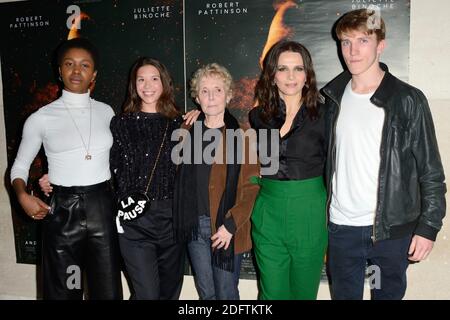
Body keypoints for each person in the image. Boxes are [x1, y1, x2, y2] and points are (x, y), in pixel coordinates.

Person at [322, 9, 446, 300]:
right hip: (342, 230)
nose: (352, 51)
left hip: (390, 233)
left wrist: (428, 227)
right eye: (345, 42)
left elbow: (431, 170)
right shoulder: (332, 98)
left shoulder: (407, 99)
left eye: (362, 41)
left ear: (381, 45)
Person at [10, 38, 123, 300]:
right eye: (69, 64)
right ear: (59, 71)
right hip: (63, 215)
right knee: (64, 291)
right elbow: (19, 166)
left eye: (85, 65)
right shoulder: (41, 118)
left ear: (94, 74)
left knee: (107, 292)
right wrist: (22, 195)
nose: (76, 70)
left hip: (102, 209)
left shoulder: (107, 112)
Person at [249, 40, 328, 300]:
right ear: (272, 75)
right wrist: (198, 115)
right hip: (268, 212)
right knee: (271, 294)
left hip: (309, 211)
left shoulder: (325, 114)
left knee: (303, 294)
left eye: (298, 69)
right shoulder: (259, 116)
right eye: (283, 69)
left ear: (308, 74)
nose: (291, 76)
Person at [173, 63, 260, 300]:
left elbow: (252, 189)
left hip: (226, 227)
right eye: (204, 91)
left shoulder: (243, 137)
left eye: (218, 90)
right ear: (197, 97)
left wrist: (230, 226)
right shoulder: (185, 131)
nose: (211, 96)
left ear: (229, 94)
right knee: (206, 294)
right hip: (194, 227)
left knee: (226, 293)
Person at [109, 57, 189, 300]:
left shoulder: (181, 122)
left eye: (154, 78)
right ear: (133, 85)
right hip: (134, 222)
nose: (148, 85)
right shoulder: (120, 123)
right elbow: (109, 166)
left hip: (172, 220)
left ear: (164, 83)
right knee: (147, 294)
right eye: (141, 79)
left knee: (169, 293)